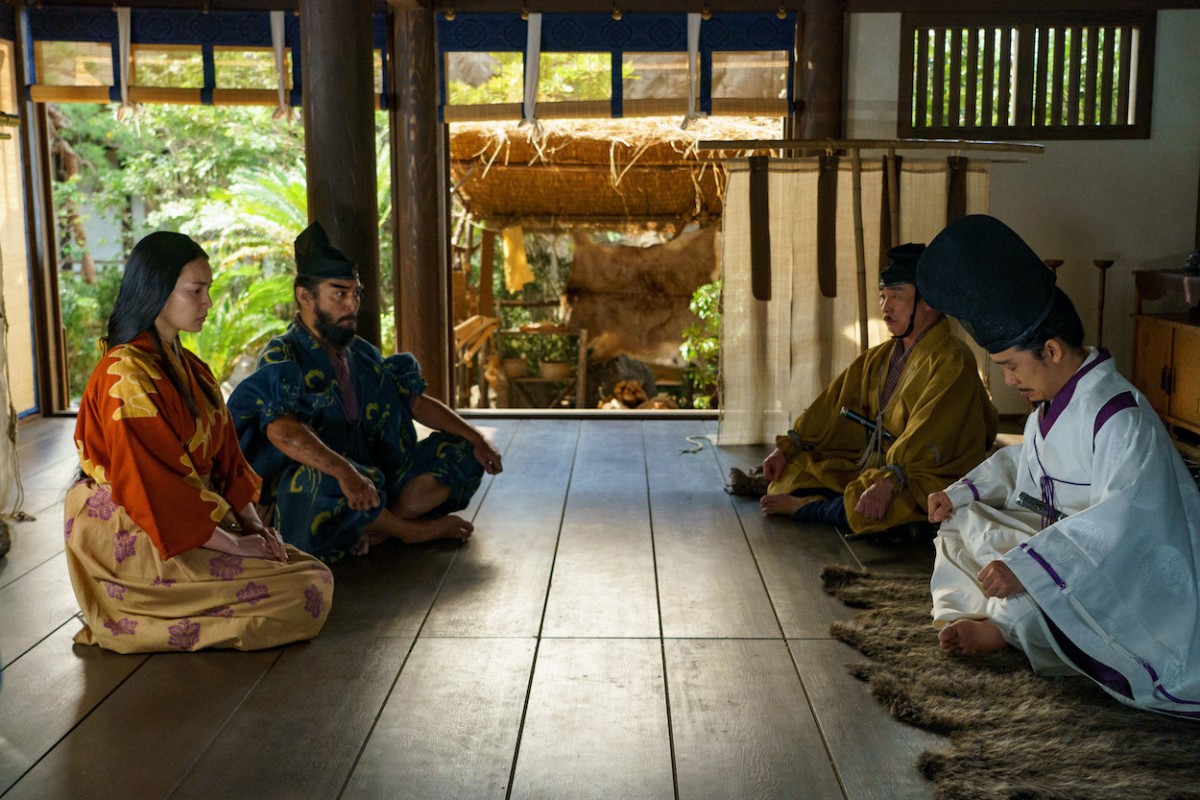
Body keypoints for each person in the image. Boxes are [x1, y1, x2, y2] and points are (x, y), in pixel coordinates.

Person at [920, 214, 1200, 717]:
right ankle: (1001, 617)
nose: (1009, 381)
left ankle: (1004, 627)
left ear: (1050, 350)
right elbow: (1020, 467)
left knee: (1026, 604)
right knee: (959, 525)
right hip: (1065, 553)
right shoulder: (1049, 406)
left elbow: (1127, 522)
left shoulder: (1119, 416)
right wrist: (961, 493)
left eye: (1010, 366)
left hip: (1130, 578)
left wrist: (1028, 569)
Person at [67, 232, 333, 654]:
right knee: (306, 591)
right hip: (142, 530)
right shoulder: (124, 377)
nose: (207, 303)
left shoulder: (193, 368)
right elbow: (153, 486)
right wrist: (233, 543)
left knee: (311, 572)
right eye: (196, 291)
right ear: (157, 292)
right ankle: (144, 613)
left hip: (193, 519)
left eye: (207, 290)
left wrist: (255, 528)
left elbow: (227, 458)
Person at [228, 221, 502, 562]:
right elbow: (281, 430)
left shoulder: (363, 354)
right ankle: (409, 531)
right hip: (323, 489)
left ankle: (378, 526)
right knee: (319, 478)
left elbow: (413, 401)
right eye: (339, 294)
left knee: (462, 449)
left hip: (374, 483)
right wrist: (345, 472)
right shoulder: (282, 354)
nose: (352, 305)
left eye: (356, 293)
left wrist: (476, 436)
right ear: (305, 295)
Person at [759, 243, 998, 539]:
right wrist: (788, 447)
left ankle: (810, 509)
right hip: (883, 464)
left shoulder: (952, 359)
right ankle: (830, 501)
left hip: (929, 472)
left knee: (876, 506)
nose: (886, 309)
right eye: (884, 297)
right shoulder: (881, 357)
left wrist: (890, 480)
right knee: (793, 471)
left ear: (929, 303)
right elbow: (833, 405)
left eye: (896, 298)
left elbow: (930, 434)